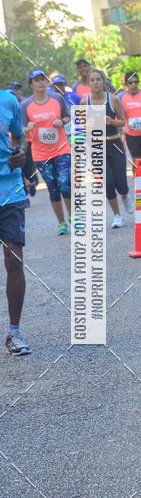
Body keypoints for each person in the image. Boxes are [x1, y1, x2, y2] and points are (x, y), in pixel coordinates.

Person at [22, 69, 72, 235]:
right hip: (41, 154)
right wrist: (27, 128)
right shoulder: (26, 105)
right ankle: (61, 222)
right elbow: (20, 129)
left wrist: (62, 121)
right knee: (53, 189)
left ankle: (73, 218)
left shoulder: (57, 99)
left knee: (65, 184)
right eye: (36, 80)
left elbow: (68, 116)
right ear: (31, 85)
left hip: (61, 148)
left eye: (43, 79)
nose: (41, 82)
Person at [0, 86, 31, 354]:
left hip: (9, 188)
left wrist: (21, 152)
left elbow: (20, 138)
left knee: (14, 258)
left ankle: (14, 332)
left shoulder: (8, 101)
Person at [86, 69, 133, 228]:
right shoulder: (83, 102)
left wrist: (112, 122)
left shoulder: (112, 99)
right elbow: (82, 127)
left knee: (121, 182)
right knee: (108, 182)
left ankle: (125, 196)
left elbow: (123, 121)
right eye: (92, 80)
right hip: (97, 146)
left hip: (114, 143)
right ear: (89, 83)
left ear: (103, 81)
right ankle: (117, 215)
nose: (95, 83)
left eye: (98, 79)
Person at [49, 74, 81, 145]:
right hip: (60, 136)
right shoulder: (50, 99)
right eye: (56, 85)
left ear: (65, 84)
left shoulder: (73, 96)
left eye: (60, 84)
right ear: (53, 86)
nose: (58, 87)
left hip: (77, 133)